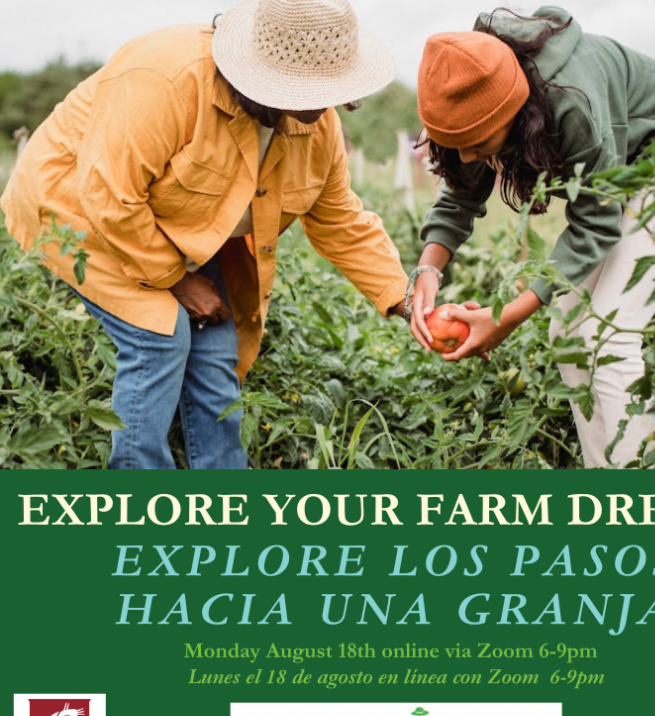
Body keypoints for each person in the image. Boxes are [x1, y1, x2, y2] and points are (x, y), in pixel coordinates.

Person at [1, 0, 408, 469]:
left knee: (217, 350)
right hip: (79, 208)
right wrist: (179, 280)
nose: (325, 107)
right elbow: (110, 196)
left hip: (178, 224)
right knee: (160, 336)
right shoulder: (168, 81)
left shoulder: (316, 124)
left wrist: (405, 296)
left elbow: (339, 219)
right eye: (310, 91)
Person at [409, 6, 655, 468]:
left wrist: (503, 318)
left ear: (515, 114)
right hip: (624, 175)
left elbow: (596, 224)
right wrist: (428, 271)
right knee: (567, 330)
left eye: (479, 144)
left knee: (609, 333)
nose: (467, 155)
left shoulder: (571, 101)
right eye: (456, 144)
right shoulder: (471, 82)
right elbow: (461, 196)